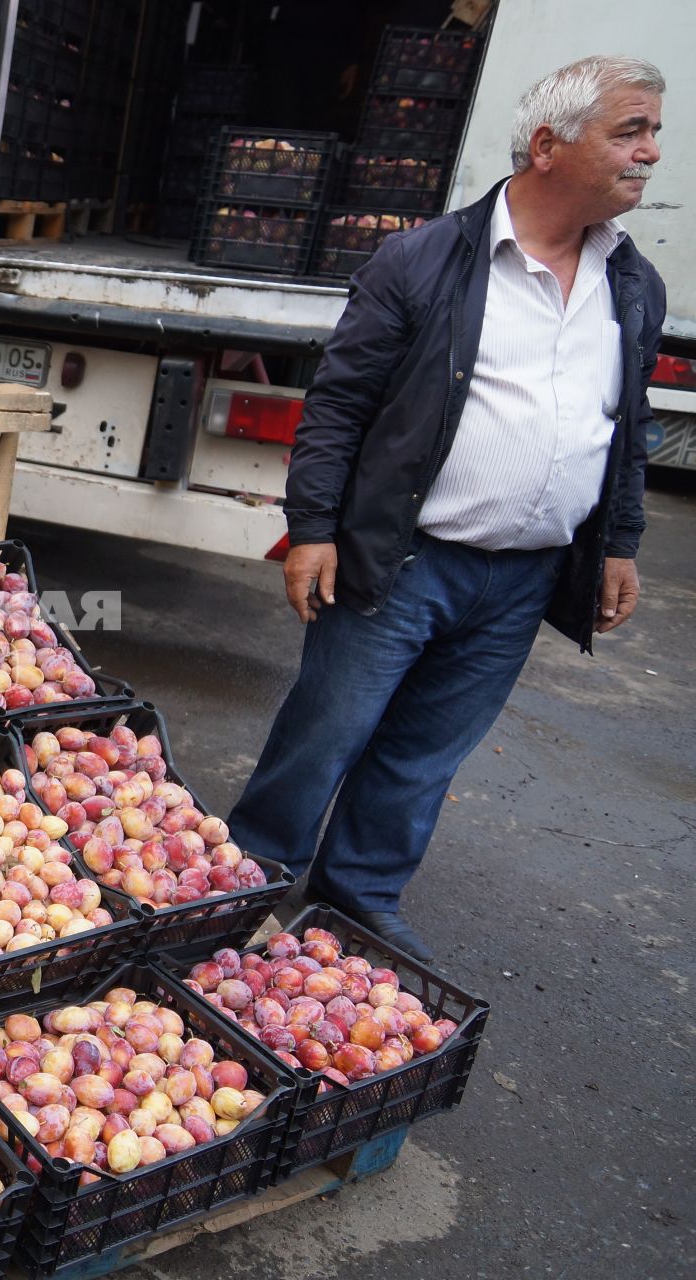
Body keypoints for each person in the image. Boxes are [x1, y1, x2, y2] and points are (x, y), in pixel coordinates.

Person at [228, 55, 666, 963]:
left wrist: (617, 540)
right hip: (404, 559)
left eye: (650, 132)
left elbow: (625, 425)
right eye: (630, 131)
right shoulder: (424, 260)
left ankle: (358, 895)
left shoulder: (631, 281)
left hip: (523, 574)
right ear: (548, 145)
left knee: (425, 754)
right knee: (326, 732)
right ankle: (249, 881)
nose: (650, 153)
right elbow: (339, 405)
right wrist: (312, 530)